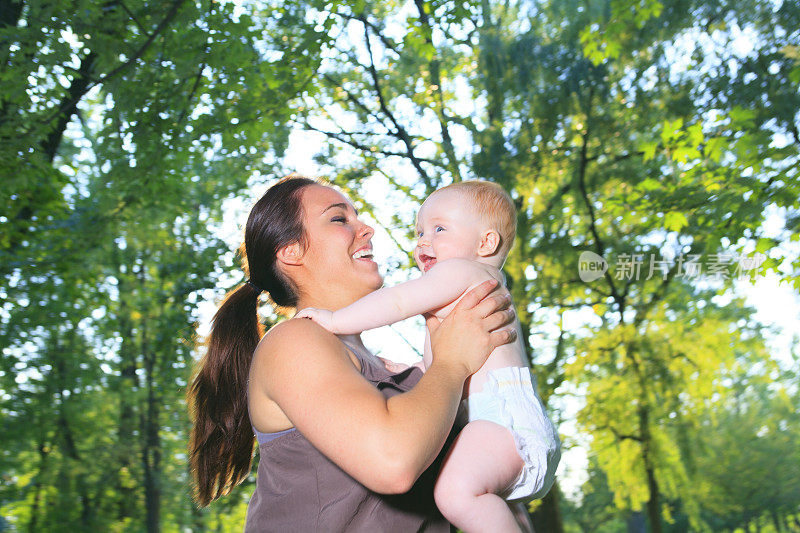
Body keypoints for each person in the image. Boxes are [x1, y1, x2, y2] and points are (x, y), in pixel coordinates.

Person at [187, 175, 518, 532]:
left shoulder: (408, 374)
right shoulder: (294, 342)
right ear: (291, 252)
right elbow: (393, 461)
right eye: (340, 219)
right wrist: (453, 361)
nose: (367, 228)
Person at [298, 180, 561, 532]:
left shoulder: (464, 272)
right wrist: (410, 367)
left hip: (501, 421)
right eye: (420, 231)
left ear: (486, 242)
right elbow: (448, 364)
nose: (423, 241)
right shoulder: (474, 288)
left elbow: (397, 302)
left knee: (455, 493)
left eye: (439, 229)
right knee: (488, 504)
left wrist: (335, 319)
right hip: (507, 426)